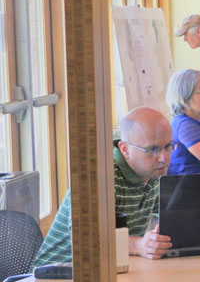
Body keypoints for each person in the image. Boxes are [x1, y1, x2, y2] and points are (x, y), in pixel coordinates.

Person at [33, 107, 173, 267]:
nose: (164, 158)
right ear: (125, 150)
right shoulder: (100, 175)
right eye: (152, 149)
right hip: (60, 273)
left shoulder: (153, 172)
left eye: (168, 146)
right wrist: (138, 245)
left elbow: (163, 218)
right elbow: (83, 237)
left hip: (111, 267)